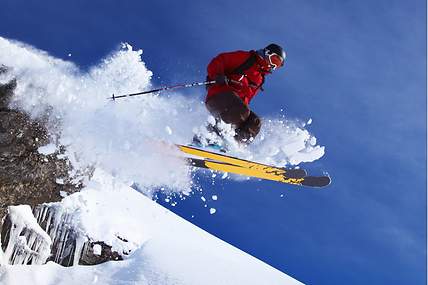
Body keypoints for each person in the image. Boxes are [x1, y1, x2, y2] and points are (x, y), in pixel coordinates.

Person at [204, 43, 286, 145]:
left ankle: (233, 146)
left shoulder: (260, 79)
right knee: (241, 111)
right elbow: (220, 60)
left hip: (236, 108)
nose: (272, 66)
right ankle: (208, 137)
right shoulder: (247, 58)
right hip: (219, 95)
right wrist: (218, 74)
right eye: (274, 60)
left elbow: (246, 99)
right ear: (267, 53)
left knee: (254, 122)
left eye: (277, 65)